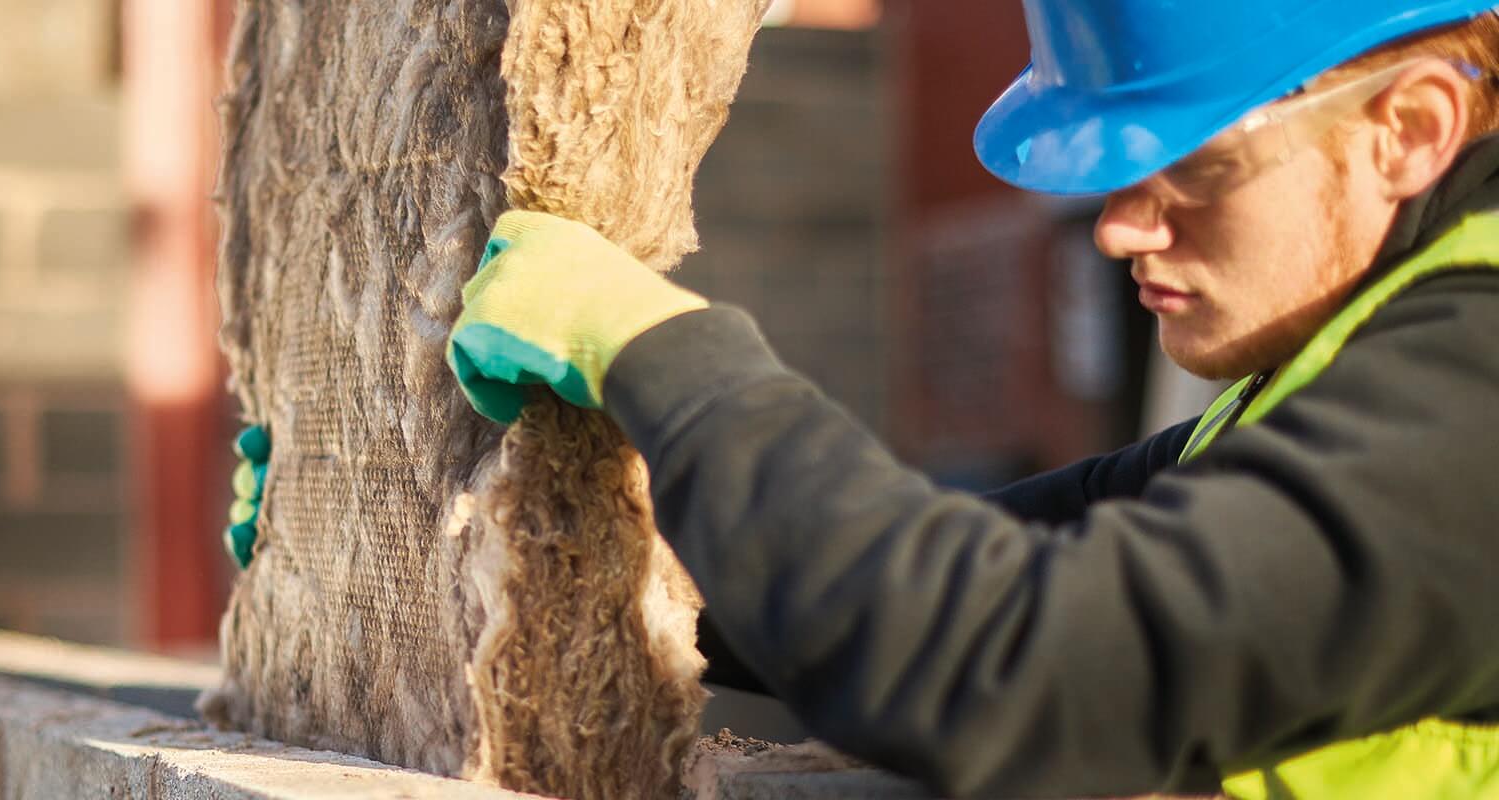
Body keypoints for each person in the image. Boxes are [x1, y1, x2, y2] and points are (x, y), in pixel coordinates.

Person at [444, 1, 1499, 797]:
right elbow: (982, 566)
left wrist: (659, 349)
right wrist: (598, 567)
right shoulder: (1360, 366)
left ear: (1410, 129)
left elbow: (999, 660)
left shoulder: (1473, 414)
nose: (1120, 228)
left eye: (1195, 165)